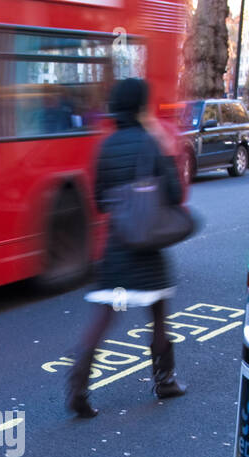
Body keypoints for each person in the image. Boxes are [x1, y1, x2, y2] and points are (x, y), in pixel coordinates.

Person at [66, 77, 185, 419]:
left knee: (103, 319)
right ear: (141, 106)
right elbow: (175, 195)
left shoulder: (106, 146)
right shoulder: (151, 142)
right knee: (159, 315)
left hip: (117, 249)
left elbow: (100, 200)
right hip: (148, 249)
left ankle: (78, 387)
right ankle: (164, 381)